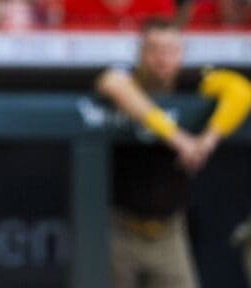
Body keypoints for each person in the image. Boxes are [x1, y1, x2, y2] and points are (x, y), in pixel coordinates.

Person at [94, 19, 251, 288]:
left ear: (181, 54)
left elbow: (241, 91)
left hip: (169, 231)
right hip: (118, 227)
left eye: (170, 50)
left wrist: (206, 142)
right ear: (140, 53)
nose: (162, 59)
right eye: (154, 50)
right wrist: (178, 140)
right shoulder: (129, 80)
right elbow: (111, 84)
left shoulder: (192, 83)